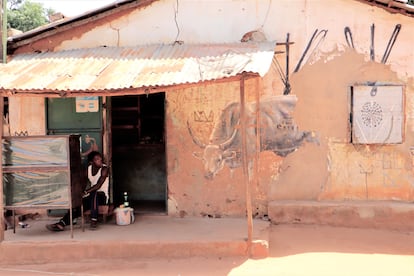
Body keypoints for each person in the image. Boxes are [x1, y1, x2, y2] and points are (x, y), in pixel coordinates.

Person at [46, 151, 109, 231]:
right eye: (97, 159)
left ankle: (94, 220)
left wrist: (86, 192)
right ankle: (62, 223)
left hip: (102, 197)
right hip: (92, 198)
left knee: (94, 193)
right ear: (91, 162)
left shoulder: (104, 169)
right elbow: (84, 183)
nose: (100, 160)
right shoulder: (89, 169)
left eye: (100, 158)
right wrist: (80, 194)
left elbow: (98, 185)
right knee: (78, 206)